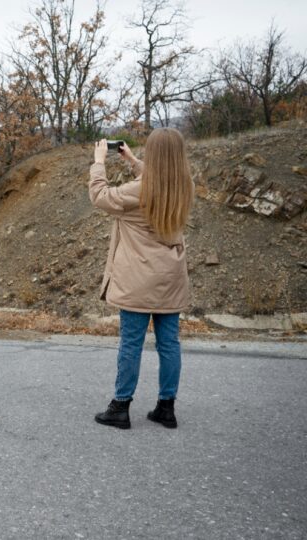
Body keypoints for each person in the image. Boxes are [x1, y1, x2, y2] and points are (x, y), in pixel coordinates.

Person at [89, 129, 194, 430]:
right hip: (171, 278)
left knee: (132, 344)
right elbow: (160, 180)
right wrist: (134, 161)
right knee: (169, 344)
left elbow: (101, 196)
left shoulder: (139, 190)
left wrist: (99, 162)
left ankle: (120, 407)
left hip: (138, 278)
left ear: (155, 154)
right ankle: (166, 408)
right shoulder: (184, 186)